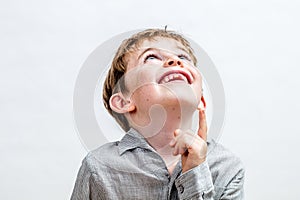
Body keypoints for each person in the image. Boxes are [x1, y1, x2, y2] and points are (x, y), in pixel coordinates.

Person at [71, 28, 245, 199]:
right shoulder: (99, 167)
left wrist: (195, 172)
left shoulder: (227, 168)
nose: (174, 60)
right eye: (151, 57)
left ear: (201, 100)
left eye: (183, 56)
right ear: (124, 101)